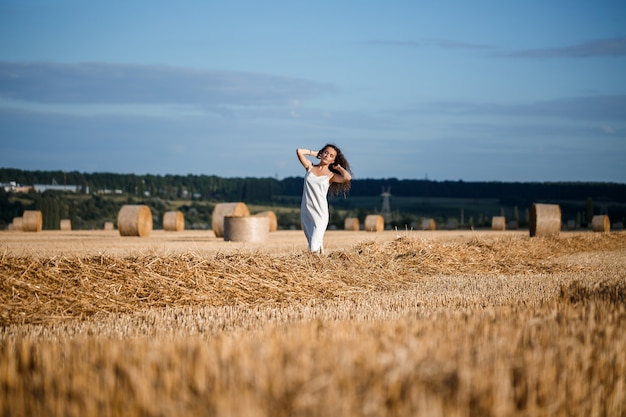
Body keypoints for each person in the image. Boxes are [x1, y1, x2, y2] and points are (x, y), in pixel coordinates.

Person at [296, 144, 352, 253]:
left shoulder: (331, 175)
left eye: (331, 155)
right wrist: (314, 153)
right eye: (326, 152)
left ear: (333, 160)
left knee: (313, 247)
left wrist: (339, 167)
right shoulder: (310, 167)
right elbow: (299, 151)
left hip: (320, 213)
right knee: (315, 244)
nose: (327, 156)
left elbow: (347, 177)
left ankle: (315, 267)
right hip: (306, 212)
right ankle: (321, 267)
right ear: (321, 153)